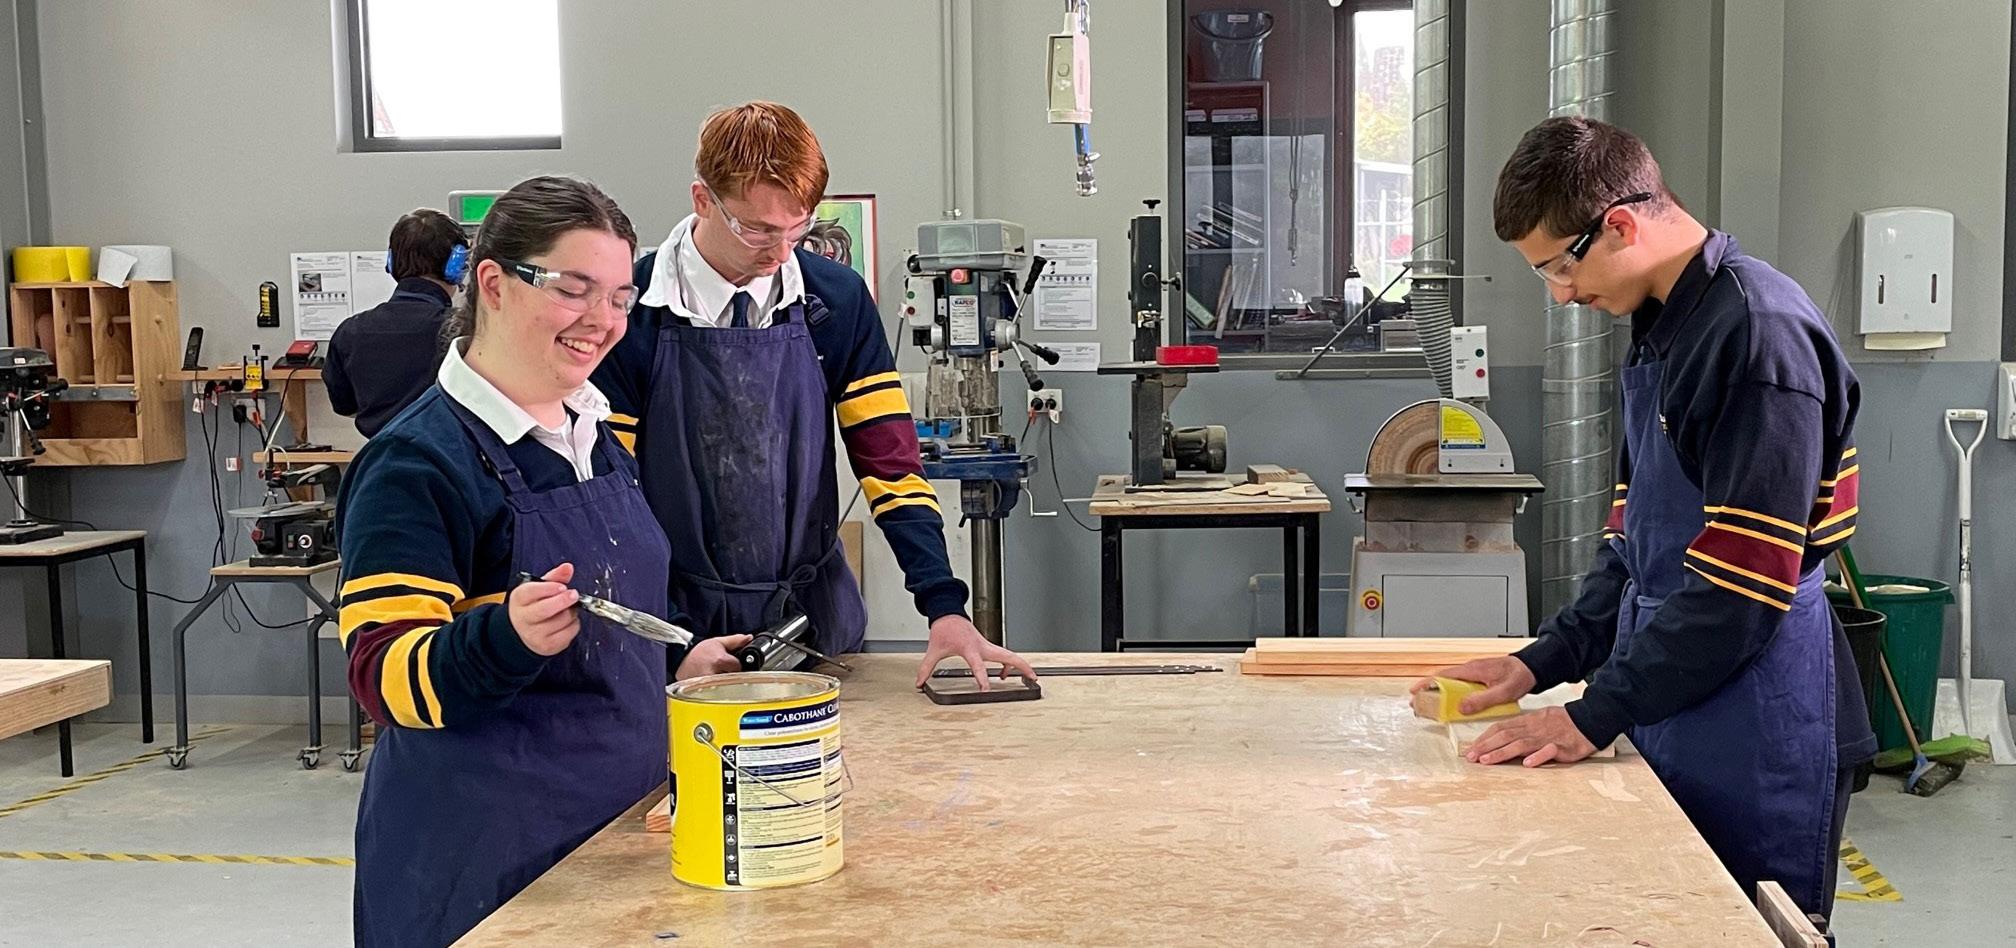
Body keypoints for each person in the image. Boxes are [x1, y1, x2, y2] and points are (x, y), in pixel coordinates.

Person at [1418, 116, 1875, 923]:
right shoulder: (1663, 328)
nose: (1562, 294)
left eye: (1560, 266)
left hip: (1757, 710)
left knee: (1736, 926)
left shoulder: (1756, 338)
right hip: (1672, 684)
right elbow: (1634, 548)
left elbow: (1741, 590)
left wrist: (1592, 715)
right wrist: (1542, 663)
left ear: (1621, 225)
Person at [336, 176, 749, 947]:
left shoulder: (595, 438)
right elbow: (381, 677)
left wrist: (675, 662)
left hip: (611, 837)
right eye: (573, 289)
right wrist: (503, 638)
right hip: (482, 862)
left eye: (620, 298)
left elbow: (609, 612)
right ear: (493, 284)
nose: (603, 321)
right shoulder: (417, 463)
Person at [593, 101, 1035, 686]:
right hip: (675, 626)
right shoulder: (629, 311)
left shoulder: (837, 301)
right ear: (702, 200)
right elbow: (611, 500)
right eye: (757, 229)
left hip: (810, 625)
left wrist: (944, 607)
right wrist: (674, 640)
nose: (780, 253)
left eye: (797, 227)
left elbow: (891, 467)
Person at [324, 208, 464, 437]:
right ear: (456, 265)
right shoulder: (463, 331)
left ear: (391, 262)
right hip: (450, 456)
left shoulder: (350, 331)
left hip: (378, 456)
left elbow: (344, 406)